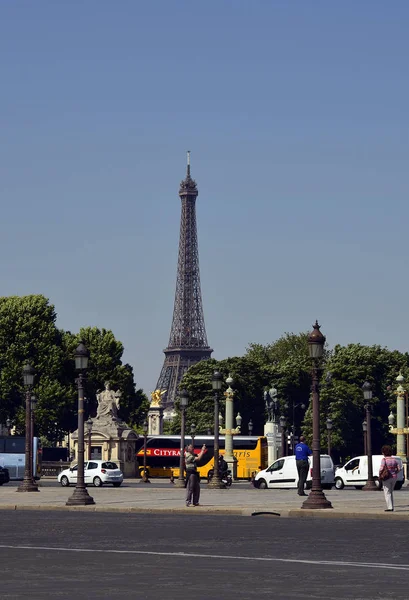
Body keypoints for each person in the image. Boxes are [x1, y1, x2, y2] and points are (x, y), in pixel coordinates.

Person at [379, 445, 401, 512]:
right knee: (390, 492)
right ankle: (391, 506)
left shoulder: (384, 459)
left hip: (387, 477)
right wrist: (395, 472)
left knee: (387, 492)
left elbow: (381, 468)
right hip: (394, 477)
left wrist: (380, 474)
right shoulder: (394, 459)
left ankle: (390, 507)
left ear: (384, 452)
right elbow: (399, 468)